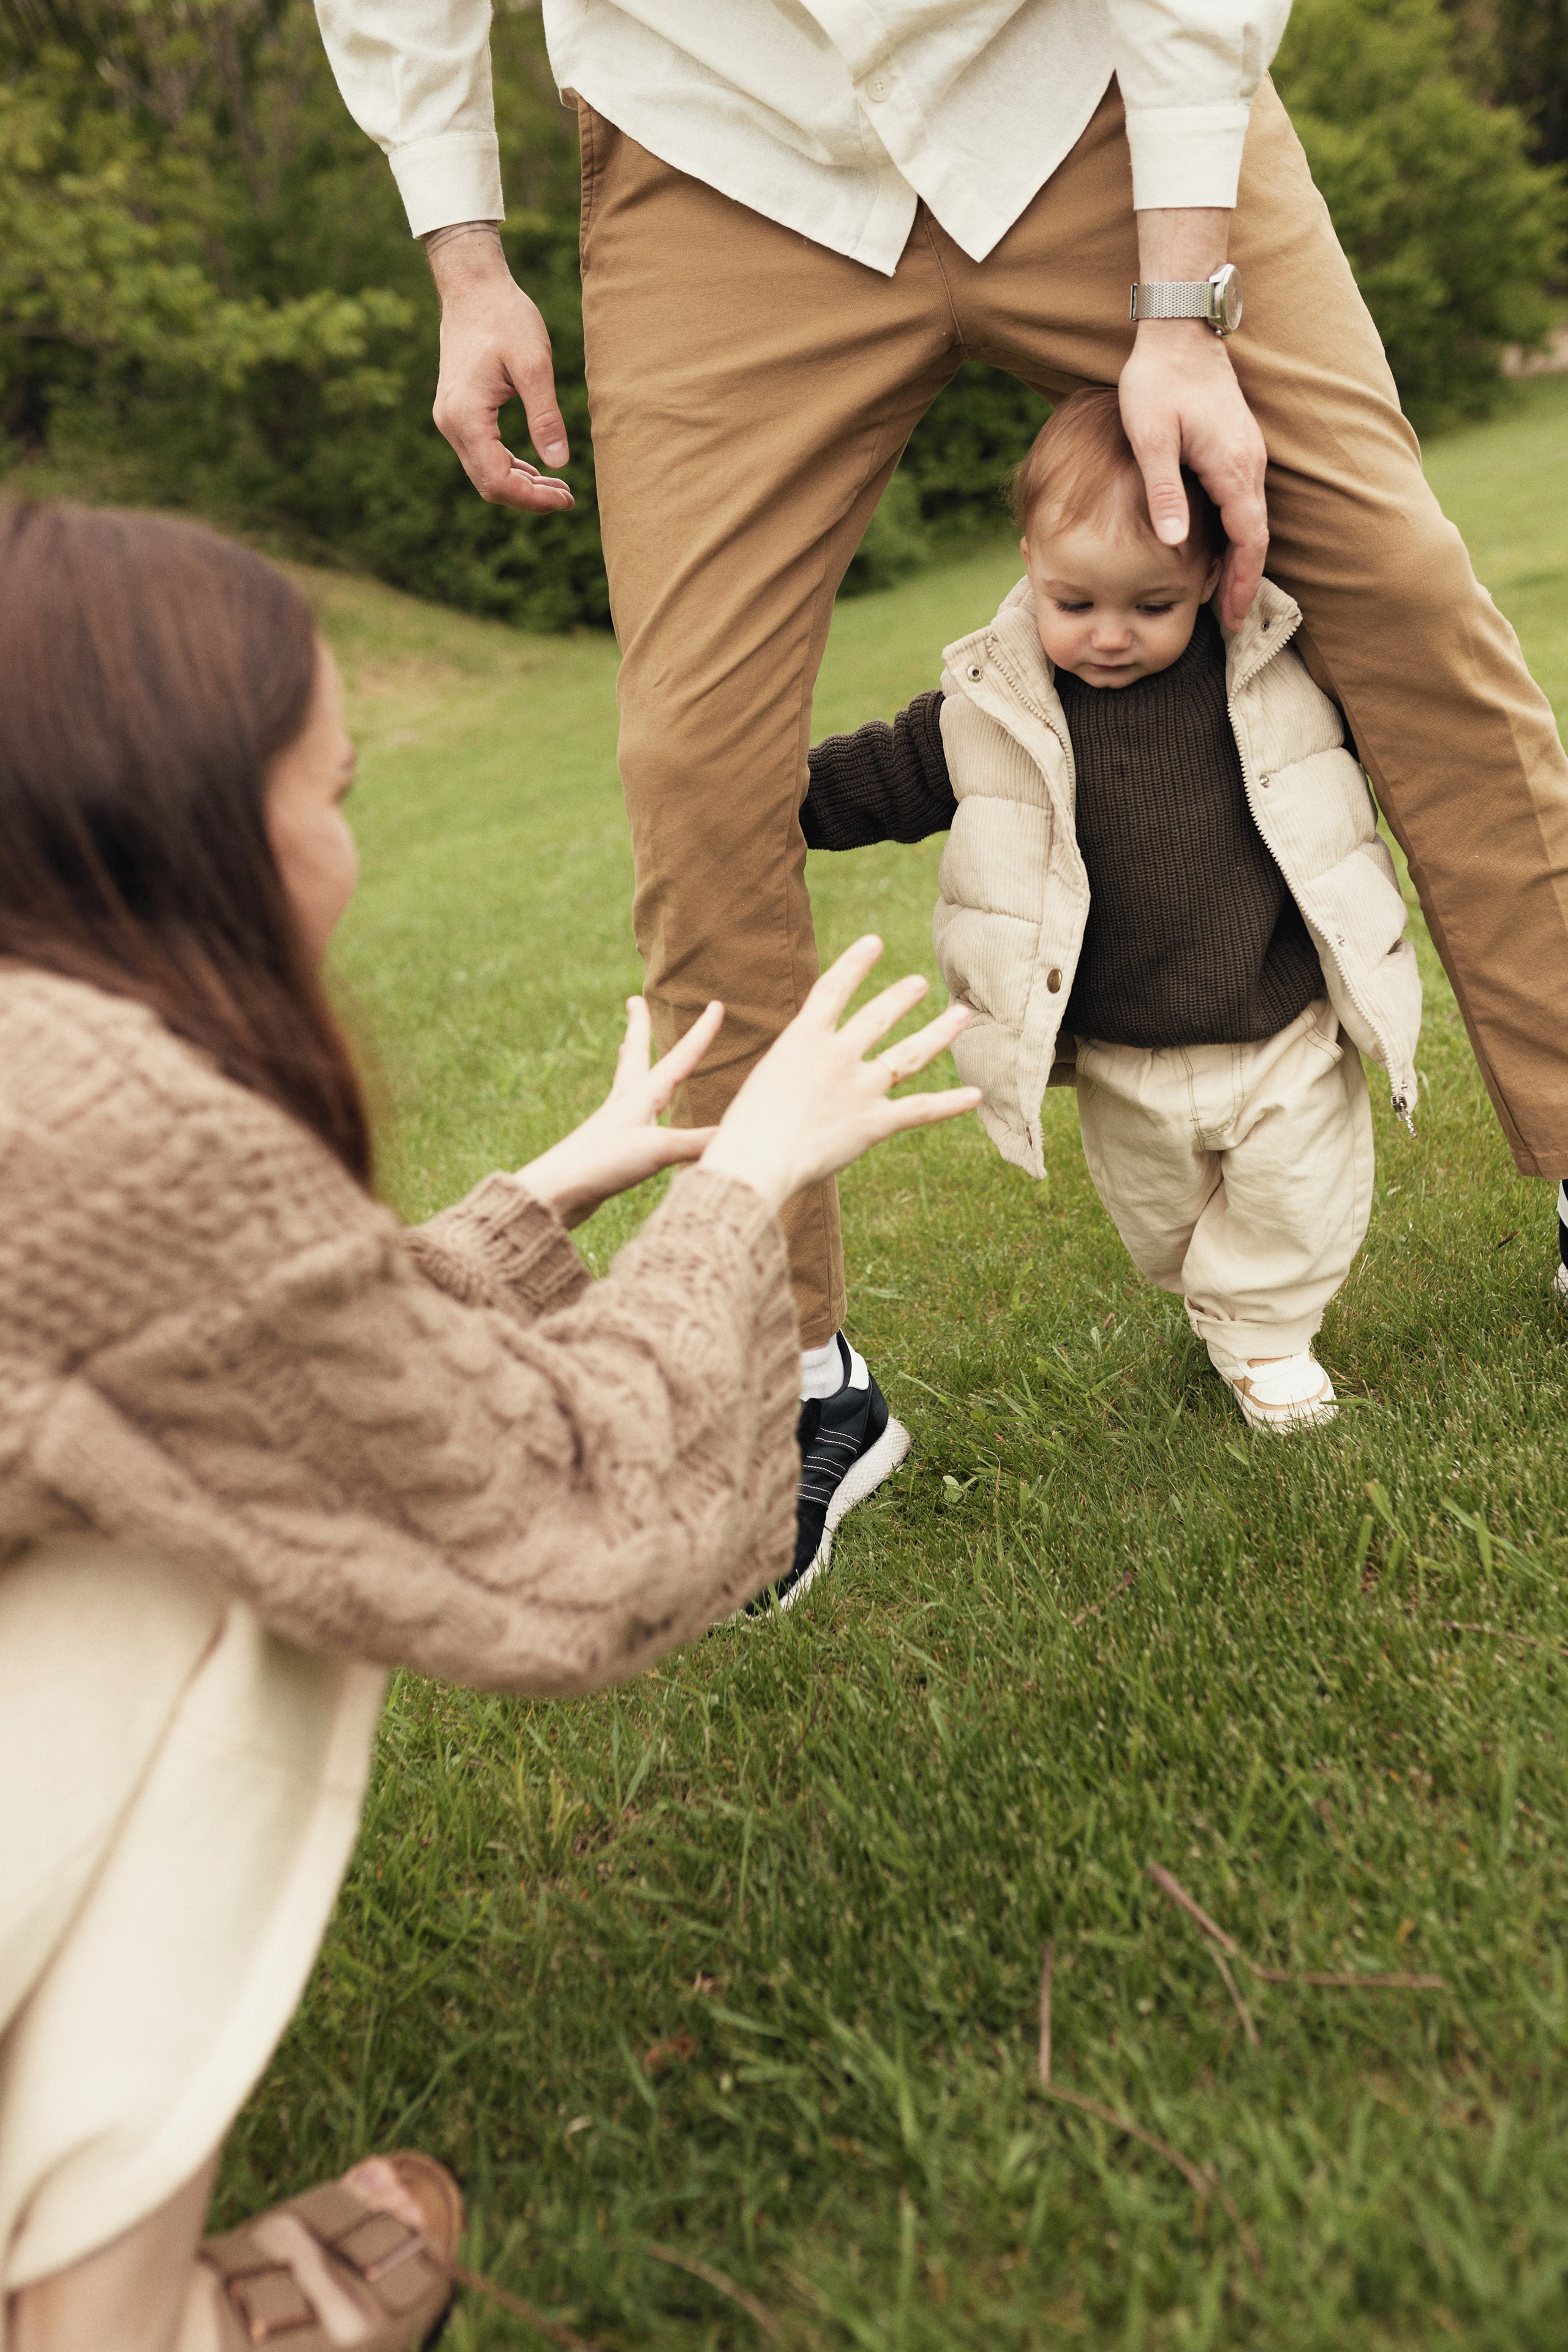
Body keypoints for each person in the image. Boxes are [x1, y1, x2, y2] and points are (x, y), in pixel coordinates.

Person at [314, 2, 1568, 1593]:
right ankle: (797, 1382)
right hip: (720, 156)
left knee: (1398, 590)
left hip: (1091, 96)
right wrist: (465, 253)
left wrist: (1182, 311)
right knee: (694, 765)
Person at [0, 501, 978, 2352]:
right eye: (336, 788)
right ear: (190, 824)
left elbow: (236, 1356)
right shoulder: (94, 1115)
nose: (351, 843)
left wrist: (558, 1193)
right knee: (220, 1580)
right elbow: (562, 1516)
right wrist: (746, 1185)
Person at [800, 388, 1422, 1428]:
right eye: (1075, 603)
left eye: (1153, 606)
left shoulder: (1274, 675)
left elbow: (1395, 744)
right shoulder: (997, 708)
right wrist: (773, 799)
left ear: (1216, 579)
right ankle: (1219, 1300)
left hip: (1279, 1019)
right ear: (1029, 565)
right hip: (1123, 1047)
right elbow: (892, 774)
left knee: (1292, 1196)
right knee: (1161, 1225)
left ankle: (1268, 1335)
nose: (1111, 636)